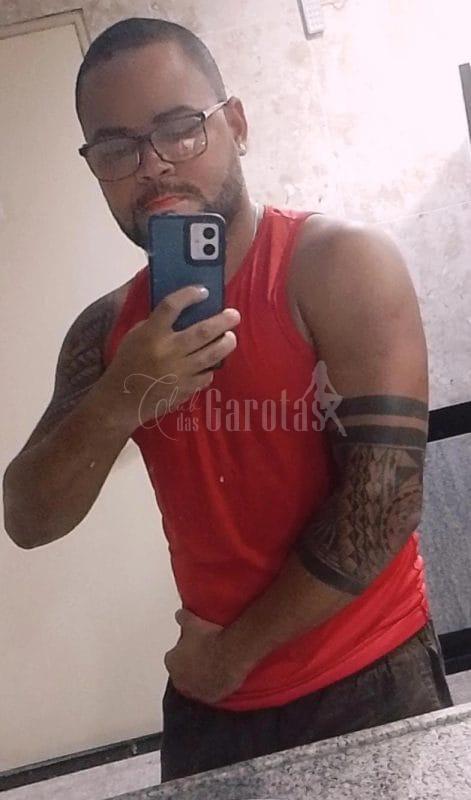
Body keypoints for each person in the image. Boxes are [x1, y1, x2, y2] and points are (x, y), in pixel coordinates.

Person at [3, 17, 452, 783]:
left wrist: (227, 656)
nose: (153, 165)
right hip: (212, 700)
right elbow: (27, 518)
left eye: (180, 128)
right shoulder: (106, 332)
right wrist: (121, 397)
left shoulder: (337, 264)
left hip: (366, 672)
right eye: (115, 148)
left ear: (235, 125)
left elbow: (384, 502)